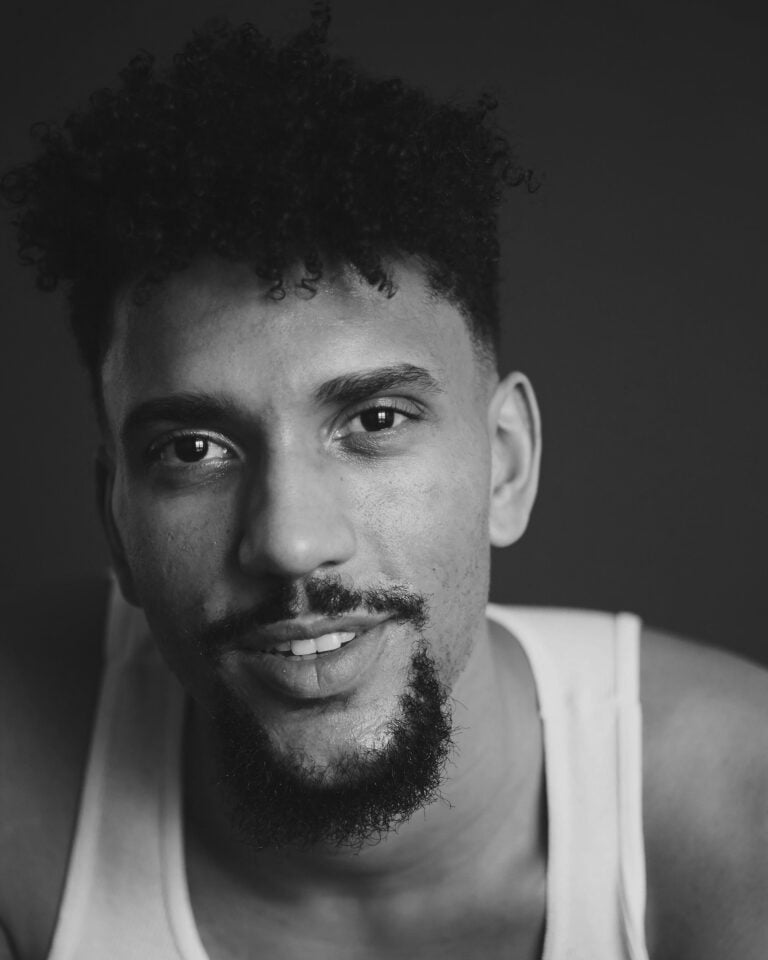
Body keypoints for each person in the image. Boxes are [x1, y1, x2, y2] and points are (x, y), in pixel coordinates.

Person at [1, 9, 766, 960]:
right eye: (194, 449)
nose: (290, 542)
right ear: (115, 519)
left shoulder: (738, 825)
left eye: (374, 421)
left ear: (507, 462)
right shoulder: (20, 777)